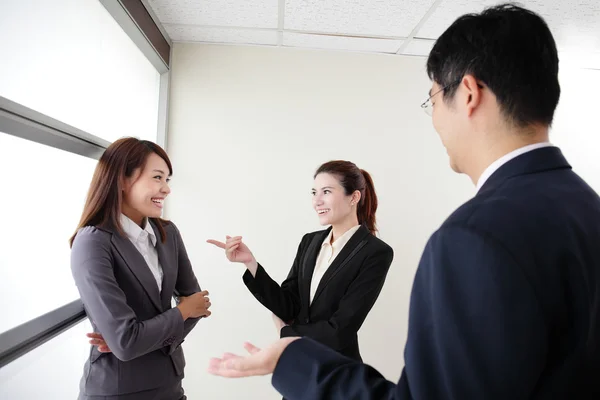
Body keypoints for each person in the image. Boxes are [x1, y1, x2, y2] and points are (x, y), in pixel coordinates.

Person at [206, 4, 600, 399]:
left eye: (432, 100)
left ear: (467, 94)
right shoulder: (588, 209)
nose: (434, 120)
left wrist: (288, 358)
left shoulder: (472, 236)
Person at [208, 160, 394, 362]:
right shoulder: (310, 242)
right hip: (297, 365)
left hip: (337, 370)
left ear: (354, 197)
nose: (317, 201)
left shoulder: (375, 252)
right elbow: (288, 306)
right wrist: (250, 263)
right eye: (314, 193)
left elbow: (341, 329)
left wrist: (286, 333)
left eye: (327, 192)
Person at [70, 137, 211, 400]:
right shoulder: (93, 241)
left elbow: (198, 304)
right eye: (157, 177)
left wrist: (142, 338)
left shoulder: (167, 233)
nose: (166, 189)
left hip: (170, 384)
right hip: (118, 391)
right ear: (122, 180)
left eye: (167, 179)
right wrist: (181, 311)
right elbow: (126, 342)